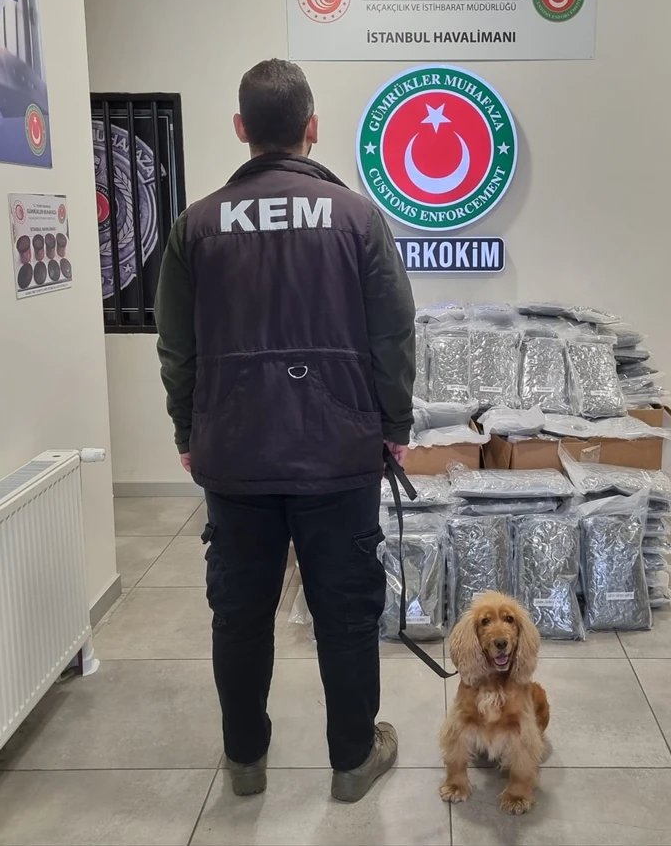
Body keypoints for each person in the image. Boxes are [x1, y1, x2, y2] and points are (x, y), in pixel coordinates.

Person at [155, 59, 415, 802]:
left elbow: (177, 346)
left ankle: (245, 761)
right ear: (312, 127)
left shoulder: (197, 225)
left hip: (234, 452)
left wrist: (187, 429)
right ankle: (352, 760)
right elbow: (394, 333)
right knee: (346, 611)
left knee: (239, 615)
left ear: (241, 128)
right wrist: (393, 423)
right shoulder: (357, 217)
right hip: (339, 450)